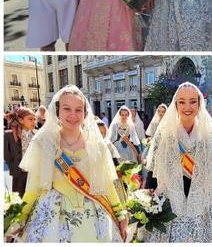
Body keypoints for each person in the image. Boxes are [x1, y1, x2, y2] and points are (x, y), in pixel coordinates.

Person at [10, 85, 127, 242]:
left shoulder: (97, 145)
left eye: (78, 110)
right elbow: (33, 188)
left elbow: (106, 184)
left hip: (94, 216)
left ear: (85, 113)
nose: (73, 115)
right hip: (53, 218)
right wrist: (18, 217)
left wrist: (121, 214)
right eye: (67, 108)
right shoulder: (44, 143)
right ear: (57, 111)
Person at [143, 82, 212, 242]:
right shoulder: (164, 135)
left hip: (204, 205)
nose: (187, 107)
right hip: (170, 203)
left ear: (199, 104)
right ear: (176, 105)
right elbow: (153, 172)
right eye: (182, 102)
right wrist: (145, 202)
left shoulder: (211, 136)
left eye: (192, 101)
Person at [3, 107, 37, 196]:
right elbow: (6, 154)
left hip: (33, 172)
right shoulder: (9, 135)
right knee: (19, 197)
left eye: (35, 119)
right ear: (21, 120)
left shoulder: (37, 135)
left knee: (32, 196)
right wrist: (13, 164)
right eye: (30, 119)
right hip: (18, 173)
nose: (34, 122)